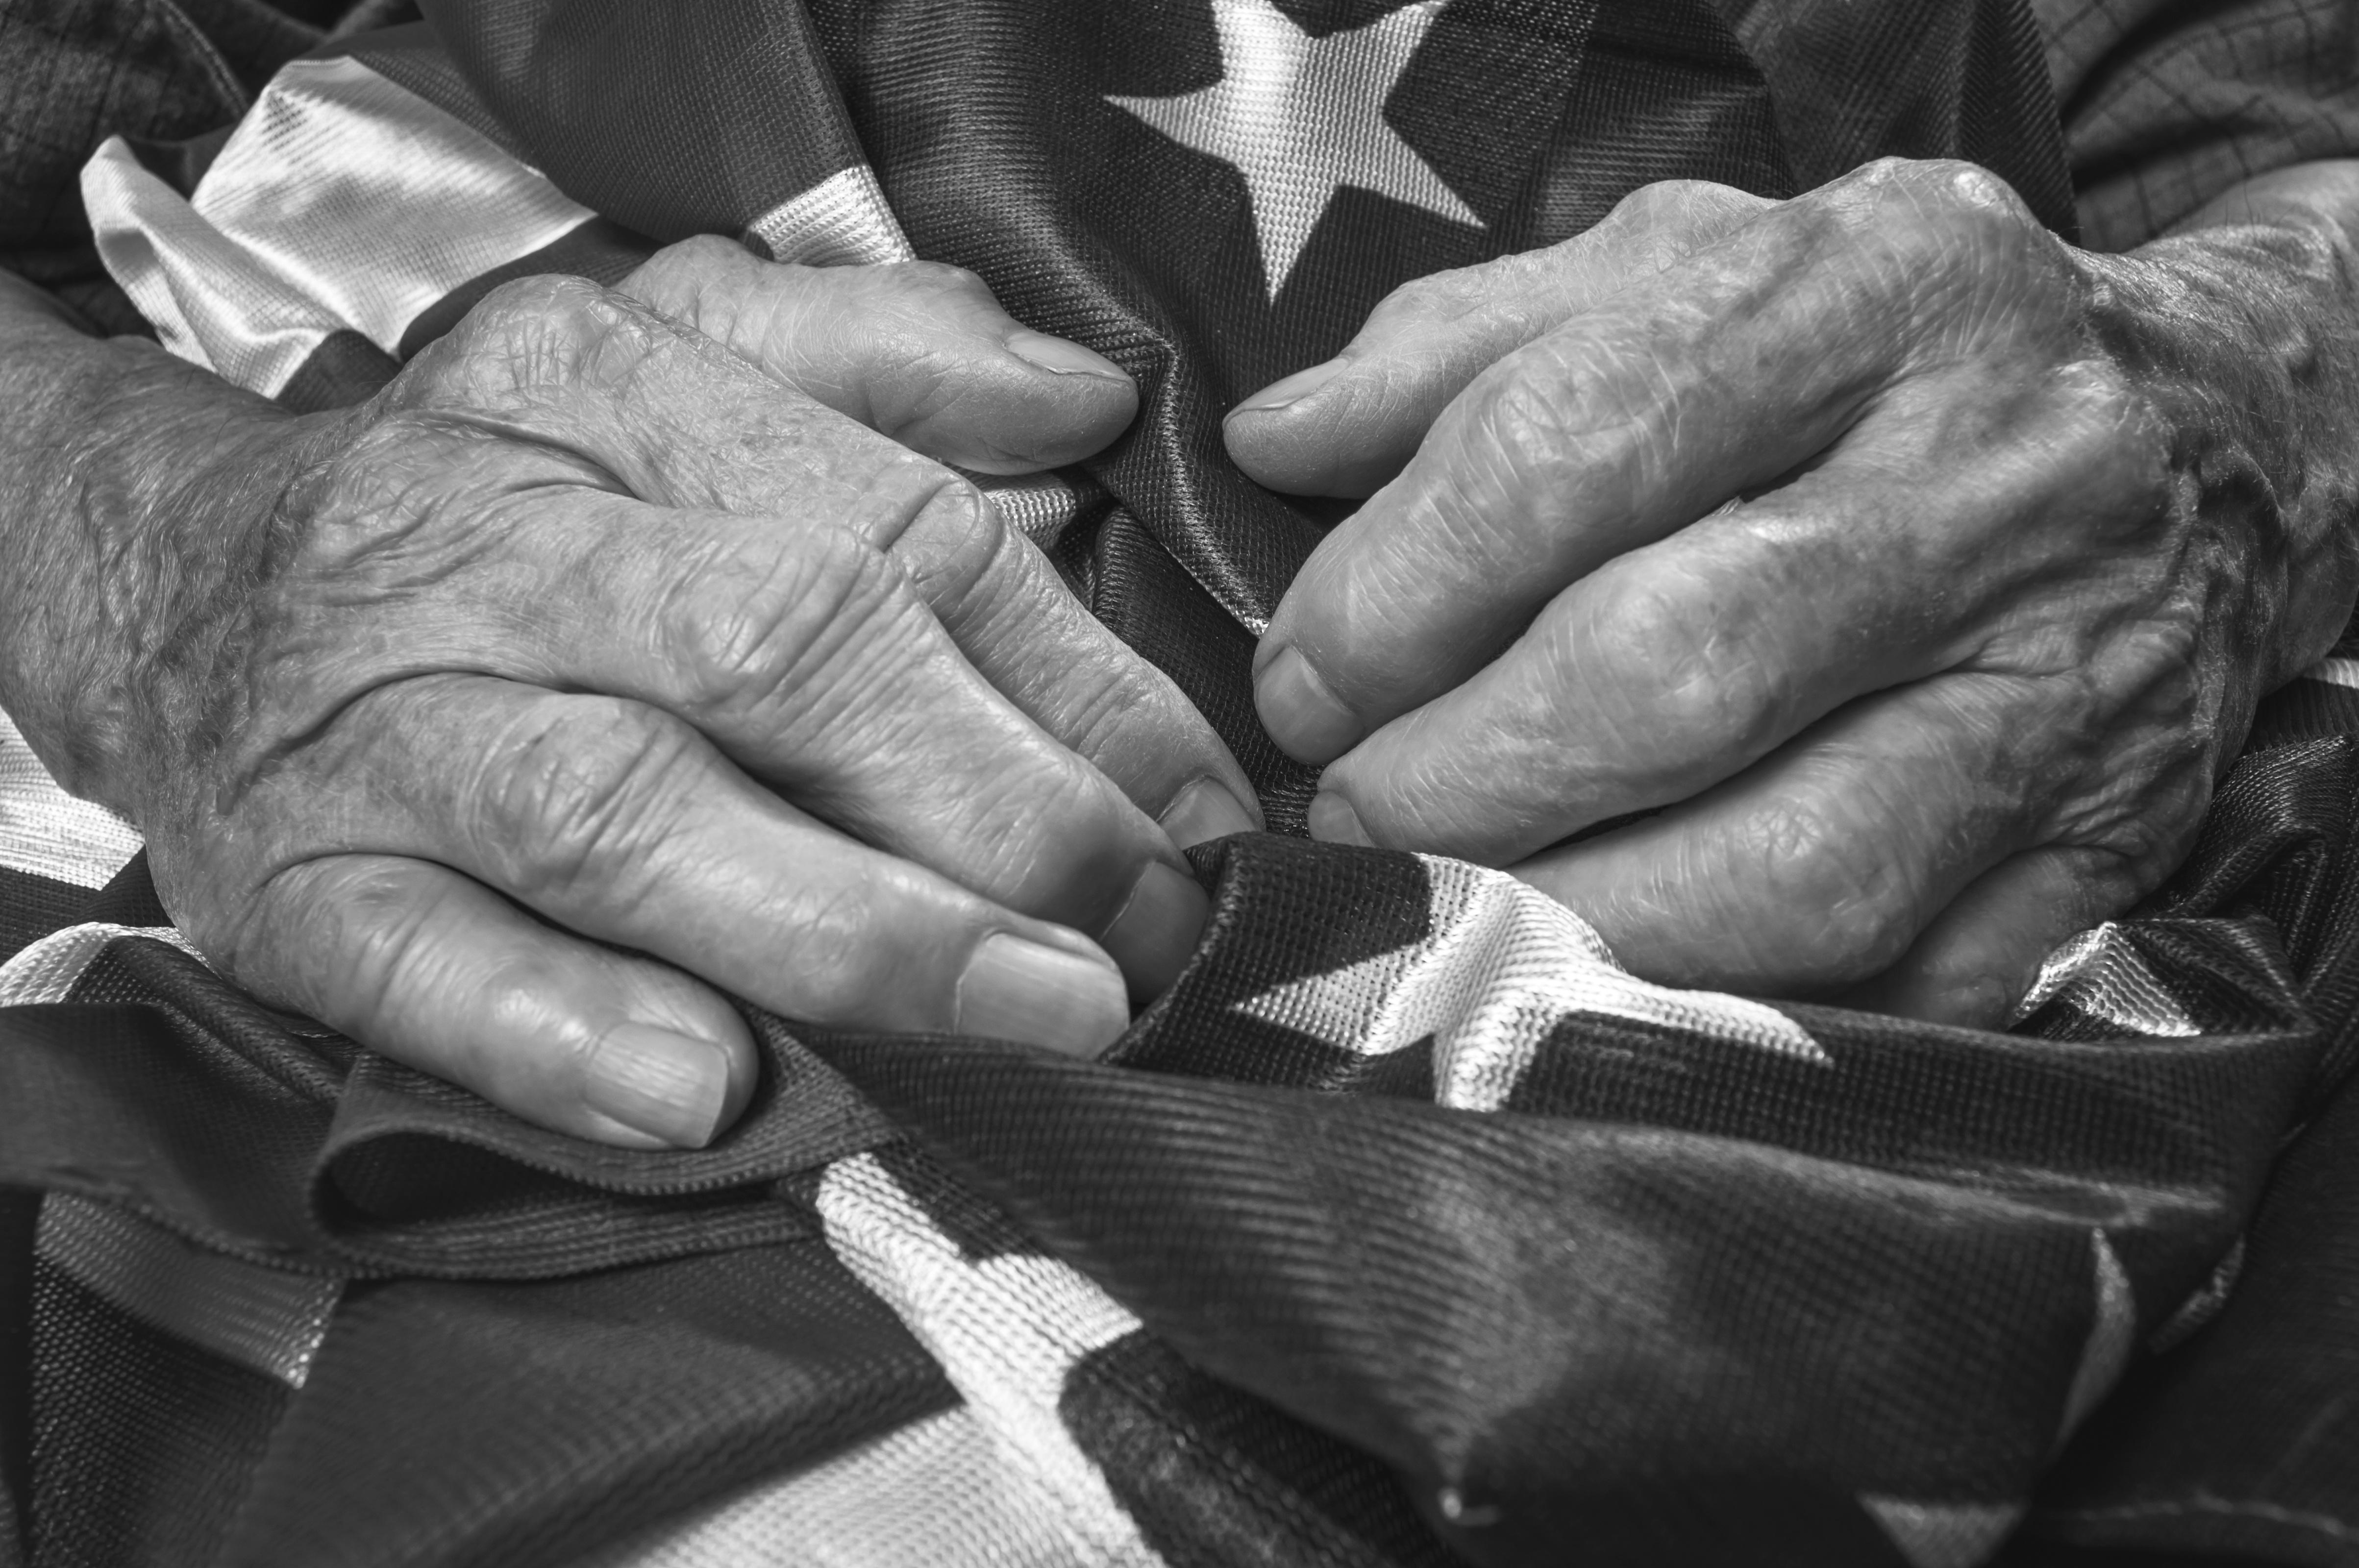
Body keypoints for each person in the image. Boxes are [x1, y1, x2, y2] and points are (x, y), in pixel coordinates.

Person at [2, 0, 2356, 1160]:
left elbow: (2269, 95)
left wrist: (2256, 369)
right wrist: (143, 545)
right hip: (436, 766)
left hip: (2033, 899)